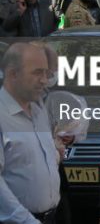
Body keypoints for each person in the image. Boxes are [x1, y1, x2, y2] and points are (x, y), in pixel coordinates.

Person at [0, 42, 61, 224]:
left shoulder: (37, 105)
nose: (44, 80)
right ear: (13, 74)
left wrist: (54, 155)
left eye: (46, 72)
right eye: (37, 72)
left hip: (51, 216)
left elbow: (26, 161)